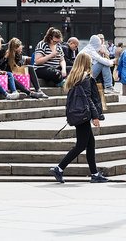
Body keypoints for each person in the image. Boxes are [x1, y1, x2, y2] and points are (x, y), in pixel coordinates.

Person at [50, 52, 107, 184]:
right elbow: (88, 99)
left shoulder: (74, 77)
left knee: (90, 144)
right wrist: (95, 116)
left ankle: (94, 173)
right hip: (84, 114)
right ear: (87, 63)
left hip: (77, 113)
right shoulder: (86, 77)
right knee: (81, 145)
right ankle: (59, 168)